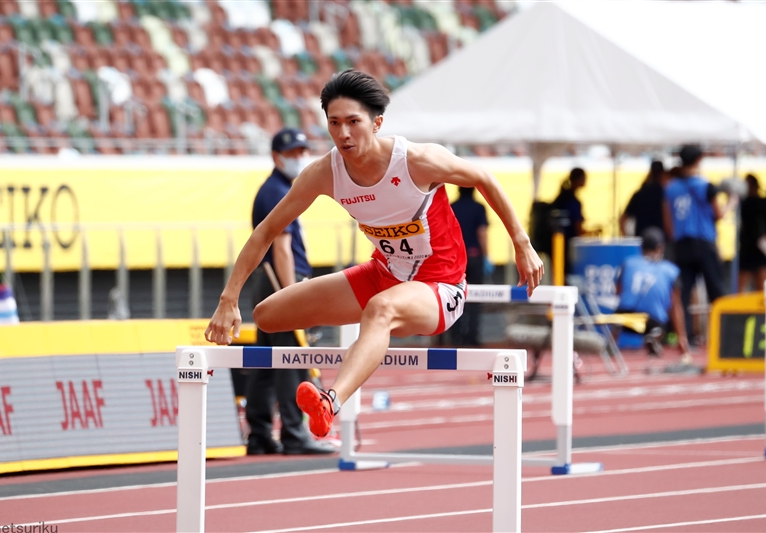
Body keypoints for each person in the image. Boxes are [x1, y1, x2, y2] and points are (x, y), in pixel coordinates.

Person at [205, 69, 544, 438]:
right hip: (383, 274)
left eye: (353, 122)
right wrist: (229, 297)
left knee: (380, 309)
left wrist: (521, 244)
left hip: (440, 286)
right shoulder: (324, 173)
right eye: (334, 123)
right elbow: (267, 231)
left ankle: (329, 403)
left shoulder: (418, 160)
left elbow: (484, 179)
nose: (343, 134)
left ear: (377, 122)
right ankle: (368, 341)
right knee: (268, 315)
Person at [240, 127, 336, 456]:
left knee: (266, 365)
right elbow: (281, 248)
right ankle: (295, 433)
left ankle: (260, 434)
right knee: (292, 360)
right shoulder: (277, 191)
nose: (299, 158)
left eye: (301, 152)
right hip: (280, 279)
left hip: (270, 281)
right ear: (276, 156)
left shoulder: (279, 188)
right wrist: (292, 295)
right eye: (292, 153)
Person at [663, 145, 736, 345]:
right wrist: (732, 201)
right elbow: (719, 214)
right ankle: (725, 338)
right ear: (699, 159)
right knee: (717, 290)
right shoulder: (705, 185)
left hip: (681, 244)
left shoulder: (670, 188)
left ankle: (683, 338)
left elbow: (668, 223)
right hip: (704, 243)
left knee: (683, 293)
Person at [616, 227, 691, 358]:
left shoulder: (628, 263)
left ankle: (612, 341)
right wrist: (682, 338)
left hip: (624, 319)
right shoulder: (671, 270)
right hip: (651, 322)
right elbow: (675, 306)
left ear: (641, 248)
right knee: (663, 318)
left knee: (620, 312)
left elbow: (618, 292)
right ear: (661, 248)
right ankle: (656, 336)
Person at [449, 186, 489, 346]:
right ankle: (472, 337)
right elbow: (482, 233)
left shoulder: (452, 207)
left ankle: (455, 337)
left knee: (453, 297)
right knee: (475, 299)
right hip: (474, 256)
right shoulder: (479, 208)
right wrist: (486, 256)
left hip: (455, 258)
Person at [737, 174, 766, 293]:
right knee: (741, 288)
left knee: (763, 289)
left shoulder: (757, 204)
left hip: (759, 251)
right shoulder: (746, 203)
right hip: (748, 250)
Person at [552, 167, 587, 280]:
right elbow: (578, 228)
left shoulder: (563, 196)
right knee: (567, 275)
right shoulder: (572, 201)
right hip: (567, 245)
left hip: (558, 243)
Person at [619, 161, 669, 239]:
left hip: (642, 239)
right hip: (661, 239)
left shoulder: (639, 194)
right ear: (663, 174)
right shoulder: (665, 194)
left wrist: (626, 237)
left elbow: (623, 218)